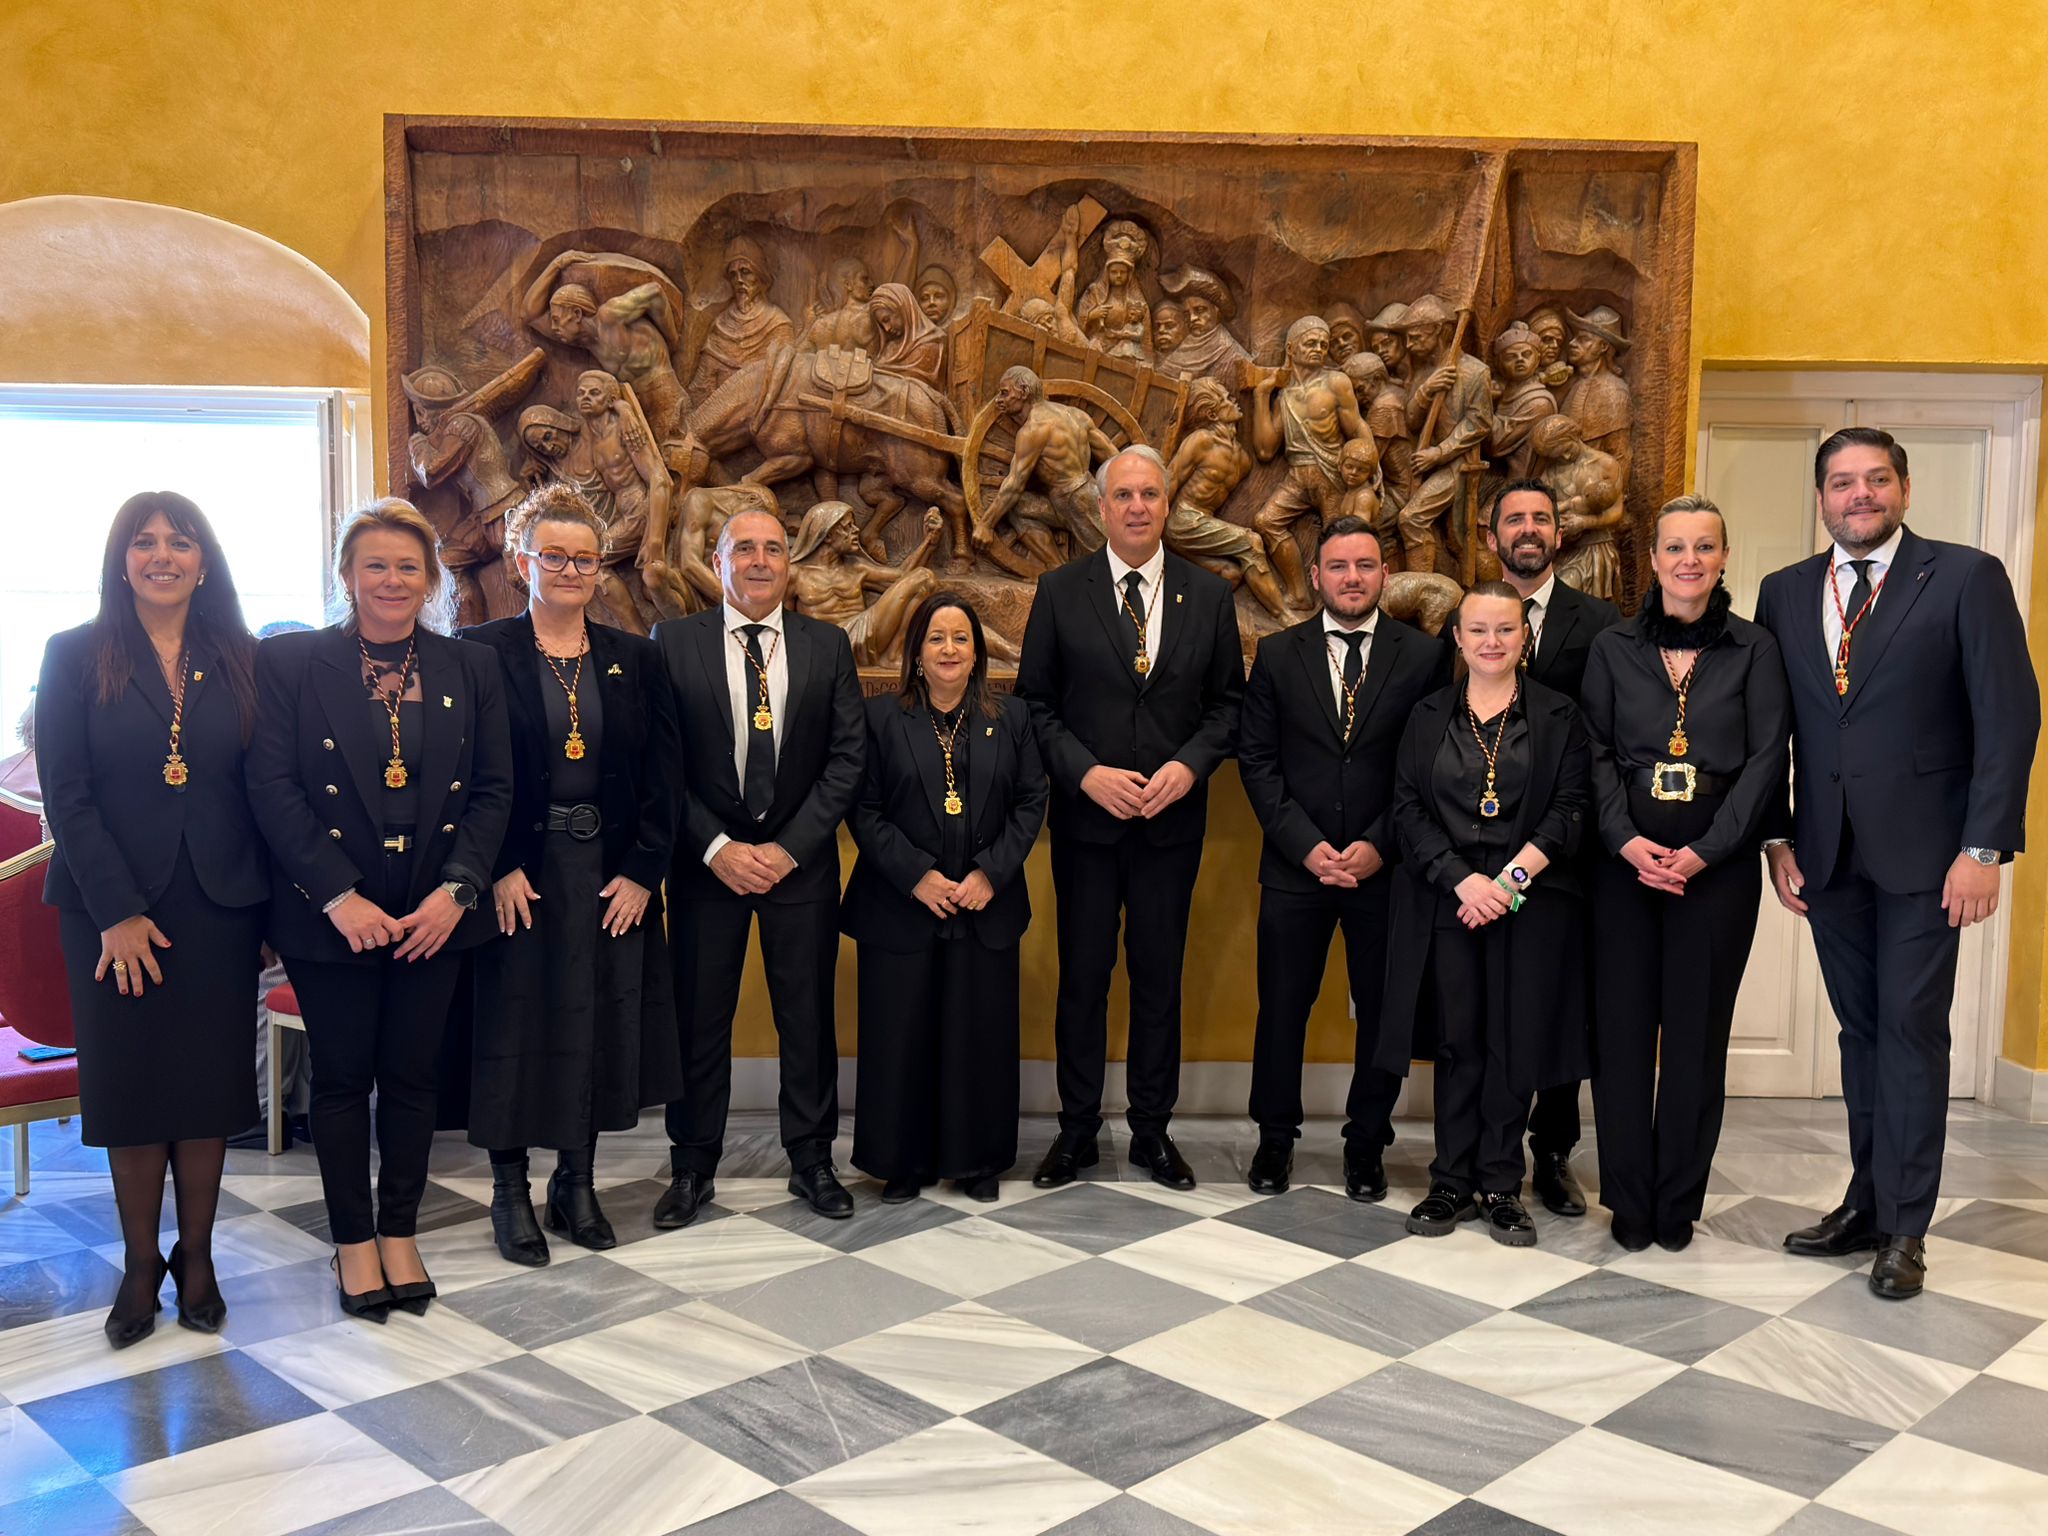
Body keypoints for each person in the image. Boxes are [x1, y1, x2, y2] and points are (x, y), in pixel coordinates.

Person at [1757, 428, 2038, 1299]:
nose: (1861, 495)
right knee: (1862, 1033)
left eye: (1877, 479)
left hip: (1930, 856)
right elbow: (1769, 728)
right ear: (1821, 500)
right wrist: (1776, 835)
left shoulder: (1965, 577)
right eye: (1843, 482)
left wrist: (1983, 848)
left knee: (1911, 1031)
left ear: (1904, 489)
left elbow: (2009, 718)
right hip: (1826, 854)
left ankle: (1907, 1230)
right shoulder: (1785, 591)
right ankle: (1868, 1203)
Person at [246, 498, 512, 1321]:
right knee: (339, 1080)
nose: (392, 580)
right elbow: (273, 789)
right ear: (346, 575)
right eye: (375, 565)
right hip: (333, 913)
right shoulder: (292, 662)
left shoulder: (470, 664)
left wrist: (456, 893)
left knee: (411, 1077)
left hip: (434, 912)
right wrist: (338, 896)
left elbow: (495, 789)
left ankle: (399, 1231)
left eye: (407, 566)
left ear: (431, 579)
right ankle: (353, 1240)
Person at [38, 492, 268, 1347]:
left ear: (205, 562)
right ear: (122, 559)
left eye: (181, 541)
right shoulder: (74, 654)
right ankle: (141, 1265)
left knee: (206, 1089)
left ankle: (196, 1257)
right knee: (131, 1087)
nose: (162, 554)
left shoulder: (243, 657)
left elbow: (262, 789)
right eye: (144, 542)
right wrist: (119, 912)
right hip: (109, 911)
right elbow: (67, 796)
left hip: (219, 904)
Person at [462, 487, 683, 1266]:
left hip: (607, 875)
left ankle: (576, 1183)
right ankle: (510, 1191)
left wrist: (643, 873)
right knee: (515, 1025)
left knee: (594, 1024)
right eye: (552, 556)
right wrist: (495, 868)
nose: (570, 570)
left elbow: (665, 776)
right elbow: (464, 773)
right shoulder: (480, 652)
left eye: (584, 559)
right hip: (519, 876)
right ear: (522, 563)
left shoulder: (635, 658)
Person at [1016, 446, 1243, 1189]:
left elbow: (1228, 708)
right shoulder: (1060, 591)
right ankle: (1076, 1130)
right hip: (1086, 827)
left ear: (1167, 505)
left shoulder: (1208, 596)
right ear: (1102, 508)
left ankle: (1152, 1131)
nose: (1137, 507)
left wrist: (1189, 766)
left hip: (1170, 828)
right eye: (1123, 495)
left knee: (1158, 980)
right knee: (1083, 980)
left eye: (1149, 494)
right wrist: (1086, 773)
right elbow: (1034, 706)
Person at [1581, 496, 1790, 1251]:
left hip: (1718, 870)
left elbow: (1767, 759)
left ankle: (1676, 1202)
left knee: (1697, 1037)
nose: (1689, 560)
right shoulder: (1612, 646)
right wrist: (1624, 841)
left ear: (1724, 557)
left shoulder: (1755, 647)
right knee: (1623, 1035)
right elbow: (1594, 752)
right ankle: (1629, 1200)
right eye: (1675, 547)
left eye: (1704, 546)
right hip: (1624, 869)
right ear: (1654, 559)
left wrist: (1709, 850)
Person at [652, 508, 865, 1225]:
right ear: (718, 562)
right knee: (699, 1019)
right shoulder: (673, 643)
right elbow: (661, 763)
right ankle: (691, 1167)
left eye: (774, 548)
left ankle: (812, 1160)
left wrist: (786, 849)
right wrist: (717, 849)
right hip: (706, 868)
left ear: (789, 564)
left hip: (798, 868)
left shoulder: (827, 645)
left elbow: (847, 761)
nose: (760, 560)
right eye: (744, 548)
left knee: (806, 1020)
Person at [1238, 518, 1449, 1201]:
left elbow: (1428, 766)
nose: (1351, 578)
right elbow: (1258, 762)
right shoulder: (1277, 654)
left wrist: (1378, 845)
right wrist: (1305, 846)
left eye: (1364, 565)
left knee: (1383, 1010)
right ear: (1317, 577)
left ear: (1385, 574)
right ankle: (1275, 1138)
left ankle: (1366, 1144)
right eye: (1337, 566)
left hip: (1384, 869)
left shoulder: (1423, 657)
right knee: (1282, 1008)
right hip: (1294, 868)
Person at [1379, 582, 1591, 1246]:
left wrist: (1509, 881)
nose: (1491, 641)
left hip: (1529, 901)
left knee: (1513, 1040)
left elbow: (1571, 807)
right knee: (1457, 1040)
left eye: (1505, 629)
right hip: (1450, 902)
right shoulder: (1427, 715)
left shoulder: (1559, 714)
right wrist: (1463, 881)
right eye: (1478, 630)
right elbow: (1407, 808)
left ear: (1524, 636)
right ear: (1458, 638)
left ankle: (1500, 1182)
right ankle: (1450, 1180)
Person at [843, 592, 1048, 1202]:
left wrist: (991, 873)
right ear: (916, 652)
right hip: (900, 904)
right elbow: (864, 808)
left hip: (985, 904)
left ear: (977, 652)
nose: (950, 649)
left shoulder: (1011, 717)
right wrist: (916, 876)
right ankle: (902, 1162)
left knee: (978, 1036)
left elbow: (1031, 800)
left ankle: (978, 1161)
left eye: (961, 638)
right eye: (936, 638)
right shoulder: (881, 718)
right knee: (899, 1035)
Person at [1474, 478, 1621, 1217]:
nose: (1527, 529)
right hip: (1477, 853)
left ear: (1559, 536)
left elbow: (1610, 734)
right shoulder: (1469, 618)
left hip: (1564, 850)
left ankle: (1554, 1152)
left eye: (1540, 519)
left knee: (1560, 1003)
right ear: (1491, 536)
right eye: (1514, 519)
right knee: (1484, 1008)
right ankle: (1476, 1147)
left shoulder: (1601, 624)